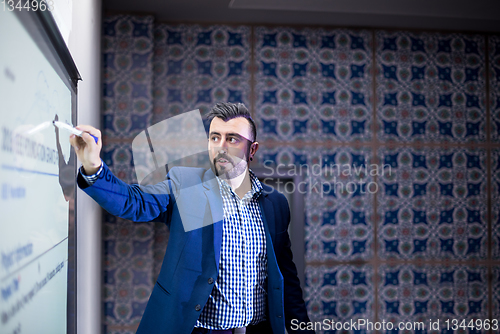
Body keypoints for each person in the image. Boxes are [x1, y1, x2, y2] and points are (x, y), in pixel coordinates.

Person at [70, 102, 315, 334]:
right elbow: (134, 202)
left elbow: (285, 277)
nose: (220, 146)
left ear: (252, 149)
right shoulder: (185, 184)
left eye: (232, 139)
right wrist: (93, 166)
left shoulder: (276, 204)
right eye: (214, 137)